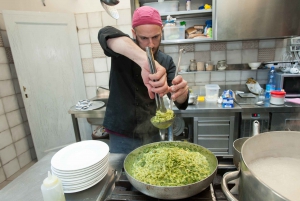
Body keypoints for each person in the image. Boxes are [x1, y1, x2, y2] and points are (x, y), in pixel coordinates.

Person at [98, 6, 189, 153]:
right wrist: (145, 61)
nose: (151, 44)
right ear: (134, 33)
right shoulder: (122, 51)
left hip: (151, 132)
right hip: (121, 133)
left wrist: (181, 92)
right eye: (144, 38)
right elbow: (105, 34)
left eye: (155, 37)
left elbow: (180, 103)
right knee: (121, 174)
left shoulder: (166, 61)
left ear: (162, 31)